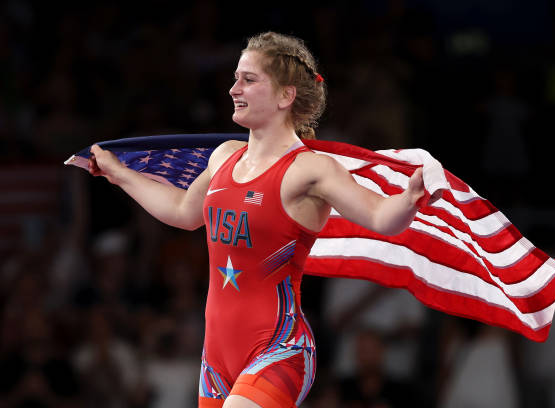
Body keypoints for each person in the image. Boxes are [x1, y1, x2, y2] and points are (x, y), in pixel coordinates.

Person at [88, 31, 426, 408]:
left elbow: (381, 217)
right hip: (216, 359)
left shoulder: (309, 169)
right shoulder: (224, 156)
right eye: (236, 78)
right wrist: (120, 174)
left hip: (281, 349)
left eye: (248, 80)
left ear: (286, 95)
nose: (234, 88)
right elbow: (183, 212)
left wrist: (409, 198)